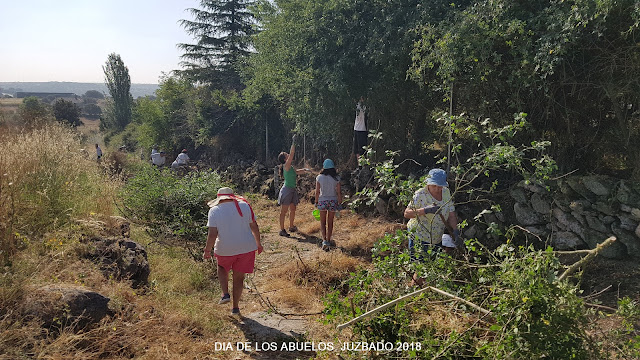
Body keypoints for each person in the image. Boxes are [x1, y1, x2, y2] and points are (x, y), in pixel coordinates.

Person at [203, 187, 263, 316]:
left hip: (225, 248)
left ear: (219, 198)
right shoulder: (245, 206)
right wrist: (258, 244)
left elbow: (213, 234)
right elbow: (254, 226)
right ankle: (235, 308)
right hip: (246, 248)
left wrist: (207, 250)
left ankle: (225, 294)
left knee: (222, 267)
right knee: (239, 278)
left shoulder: (214, 210)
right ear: (232, 196)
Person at [404, 168, 460, 266]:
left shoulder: (446, 192)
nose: (437, 189)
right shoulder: (420, 194)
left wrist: (455, 230)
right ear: (428, 183)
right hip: (420, 236)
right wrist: (425, 210)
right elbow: (407, 213)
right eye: (434, 186)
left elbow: (451, 214)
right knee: (420, 268)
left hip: (436, 237)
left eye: (440, 186)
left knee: (431, 267)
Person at [277, 135, 311, 237]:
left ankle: (291, 227)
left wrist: (305, 170)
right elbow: (292, 154)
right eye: (286, 154)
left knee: (293, 209)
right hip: (287, 190)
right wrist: (293, 142)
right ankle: (282, 230)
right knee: (284, 211)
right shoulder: (286, 165)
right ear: (284, 159)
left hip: (292, 190)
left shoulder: (290, 167)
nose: (288, 154)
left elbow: (296, 172)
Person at [314, 159, 342, 251]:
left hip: (322, 201)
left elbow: (317, 191)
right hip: (333, 201)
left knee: (322, 222)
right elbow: (338, 192)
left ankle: (324, 240)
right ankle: (329, 240)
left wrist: (316, 202)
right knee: (330, 222)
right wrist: (340, 203)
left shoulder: (319, 177)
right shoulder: (336, 178)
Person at [352, 96, 368, 162]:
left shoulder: (365, 106)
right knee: (356, 150)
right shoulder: (357, 105)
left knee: (362, 149)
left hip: (362, 129)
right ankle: (359, 166)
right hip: (356, 128)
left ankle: (363, 165)